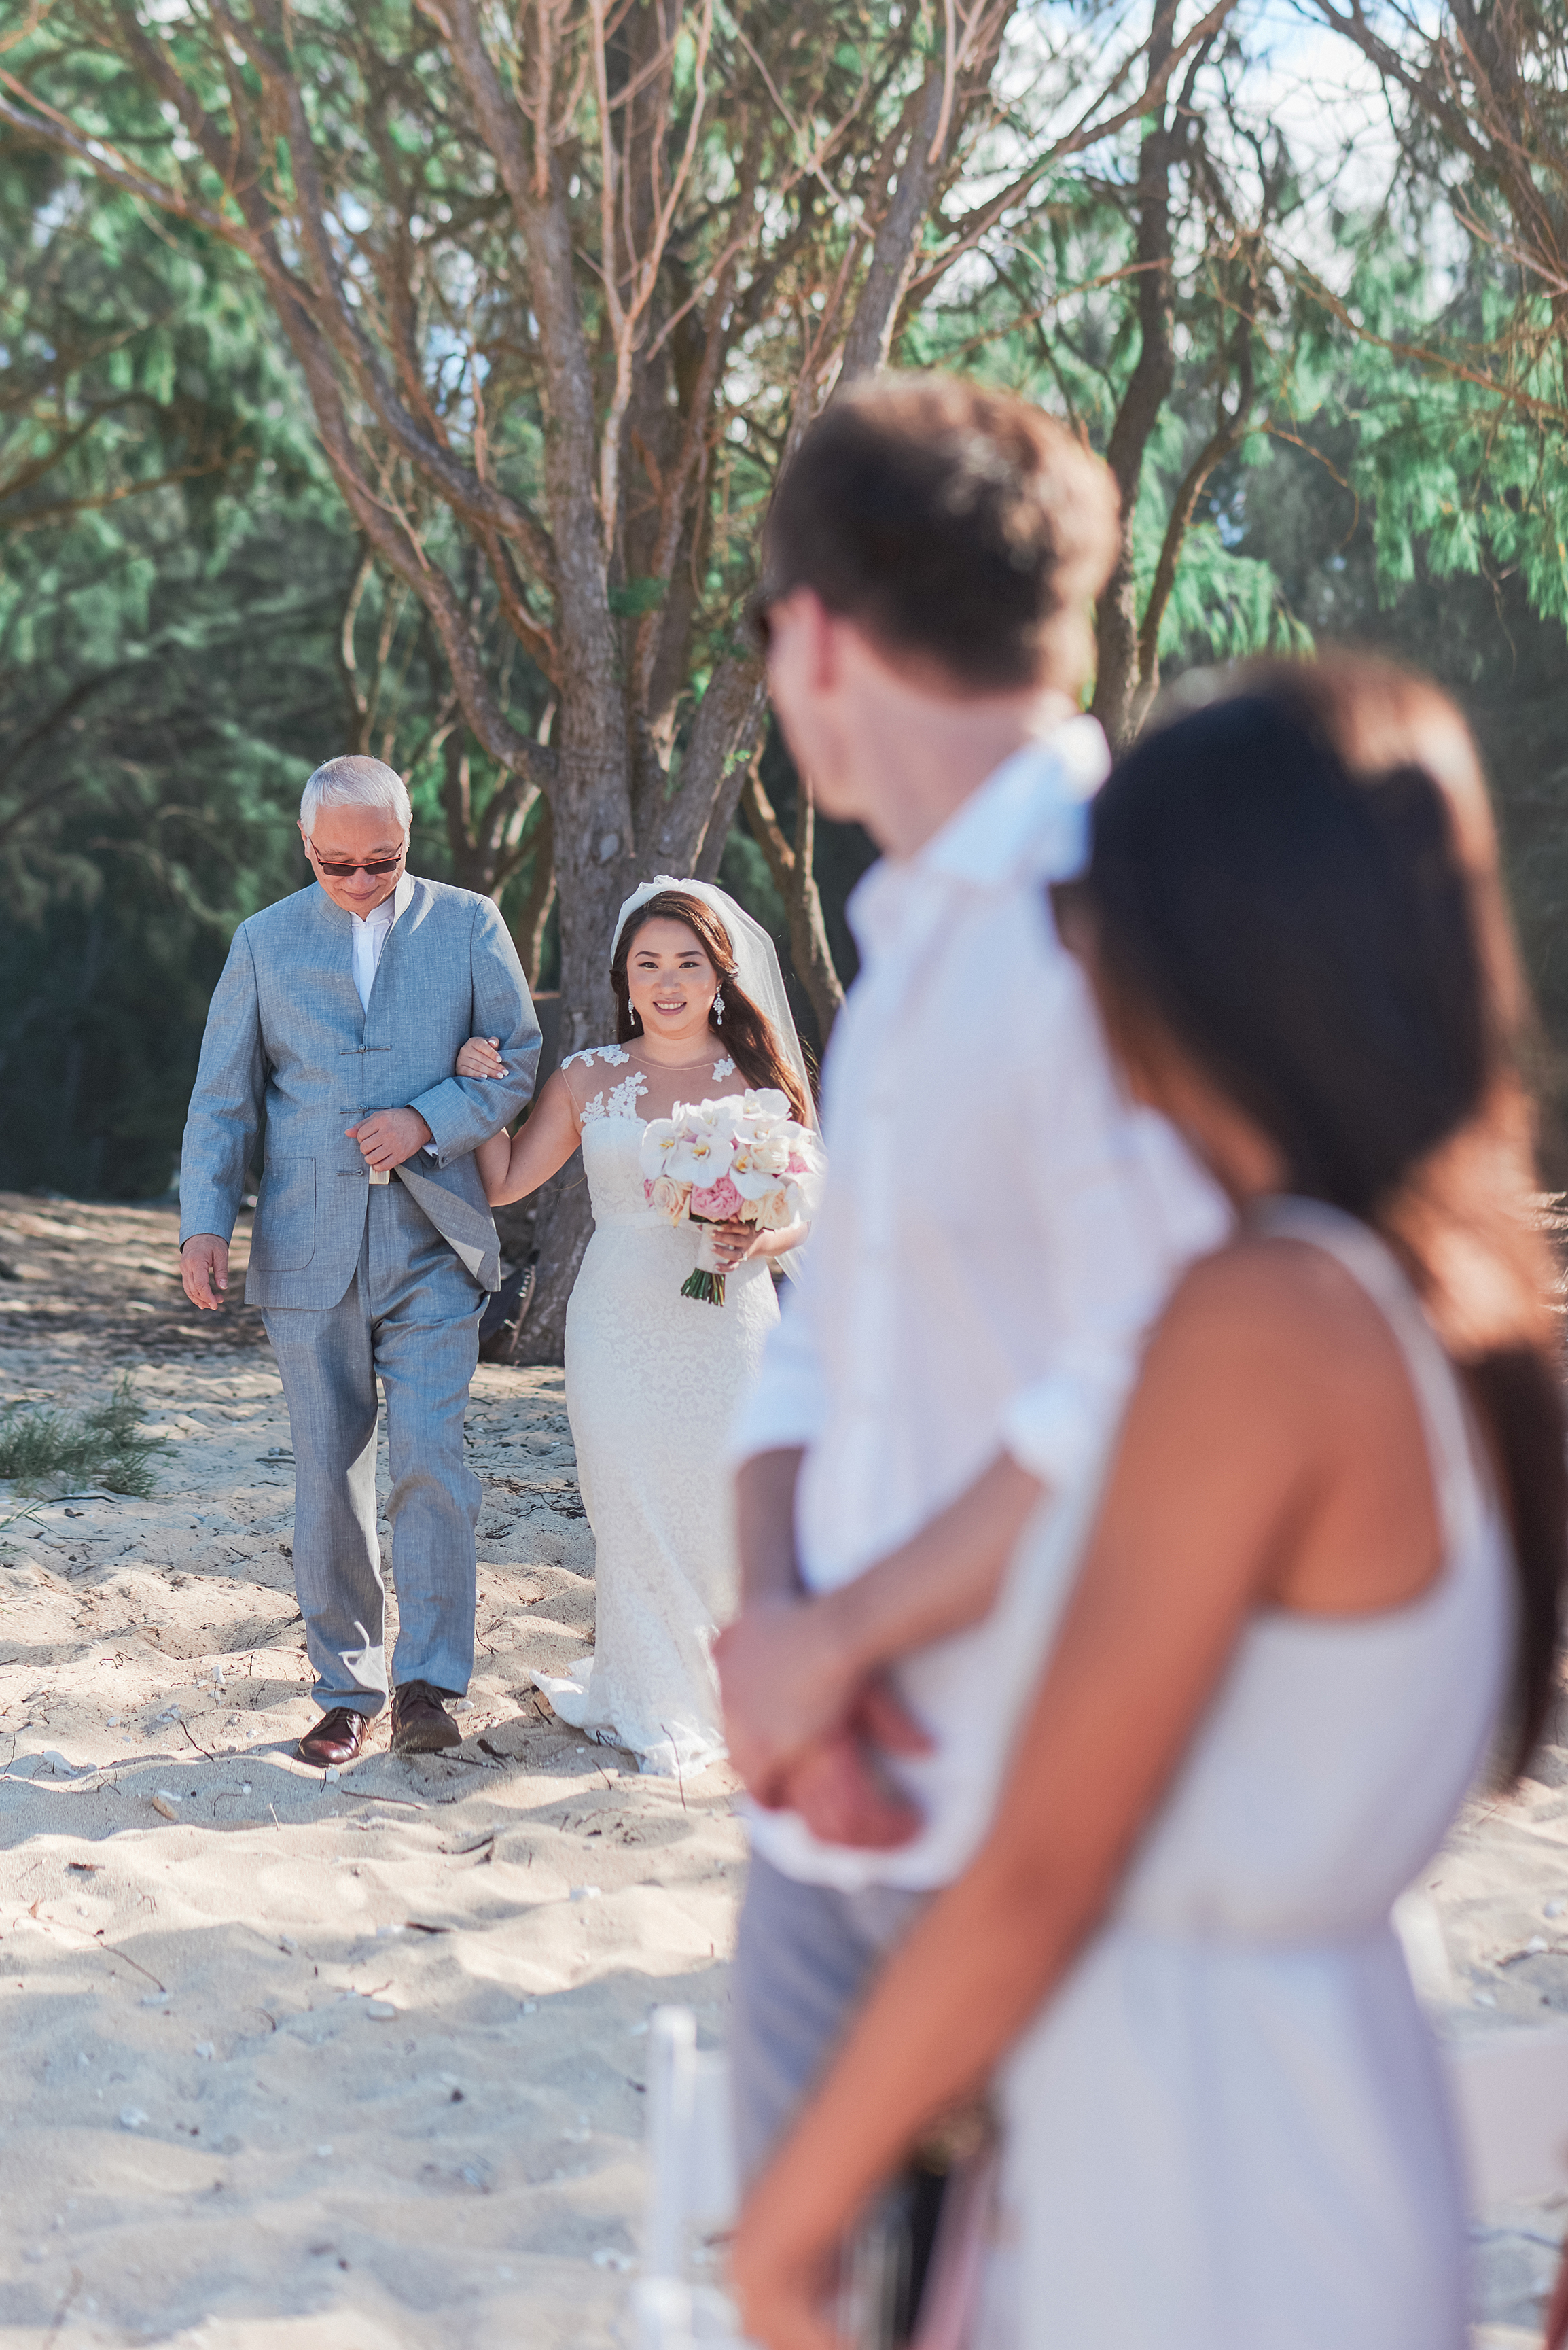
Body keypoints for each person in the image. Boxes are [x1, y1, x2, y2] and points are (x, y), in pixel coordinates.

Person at [730, 659, 1568, 2350]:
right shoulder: (1452, 1297)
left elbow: (1046, 1860)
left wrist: (792, 2219)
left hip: (1197, 2183)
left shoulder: (1260, 1325)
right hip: (1296, 2120)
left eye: (1092, 922)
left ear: (1204, 951)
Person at [713, 372, 1229, 2181]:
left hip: (1033, 1824)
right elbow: (809, 1359)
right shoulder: (907, 940)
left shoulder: (1105, 923)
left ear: (818, 637)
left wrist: (838, 1641)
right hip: (827, 1810)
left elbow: (1148, 1382)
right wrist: (778, 1644)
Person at [179, 756, 540, 1764]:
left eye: (381, 860)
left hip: (438, 1240)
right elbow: (222, 1100)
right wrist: (202, 1224)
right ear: (306, 848)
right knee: (329, 1477)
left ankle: (428, 1683)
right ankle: (347, 1689)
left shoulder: (470, 924)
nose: (360, 879)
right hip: (306, 1248)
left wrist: (427, 1116)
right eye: (337, 864)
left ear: (409, 834)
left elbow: (516, 1056)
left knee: (431, 1459)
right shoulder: (262, 942)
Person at [456, 878, 814, 1777]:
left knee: (723, 1503)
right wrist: (481, 1094)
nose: (667, 982)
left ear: (719, 975)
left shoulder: (756, 1080)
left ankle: (730, 1688)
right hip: (617, 1316)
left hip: (729, 1317)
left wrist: (759, 1232)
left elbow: (807, 1200)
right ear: (623, 977)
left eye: (687, 964)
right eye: (648, 964)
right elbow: (505, 1183)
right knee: (633, 1503)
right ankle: (655, 1694)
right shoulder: (589, 1077)